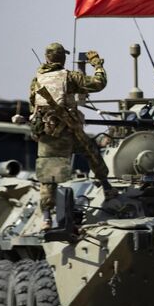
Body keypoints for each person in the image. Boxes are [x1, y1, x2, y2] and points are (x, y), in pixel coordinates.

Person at [29, 42, 109, 230]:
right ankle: (107, 187)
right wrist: (97, 65)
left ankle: (47, 217)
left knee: (48, 173)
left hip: (47, 133)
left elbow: (32, 106)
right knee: (91, 151)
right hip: (69, 130)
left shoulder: (37, 79)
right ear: (62, 58)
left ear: (47, 58)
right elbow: (99, 84)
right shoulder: (70, 77)